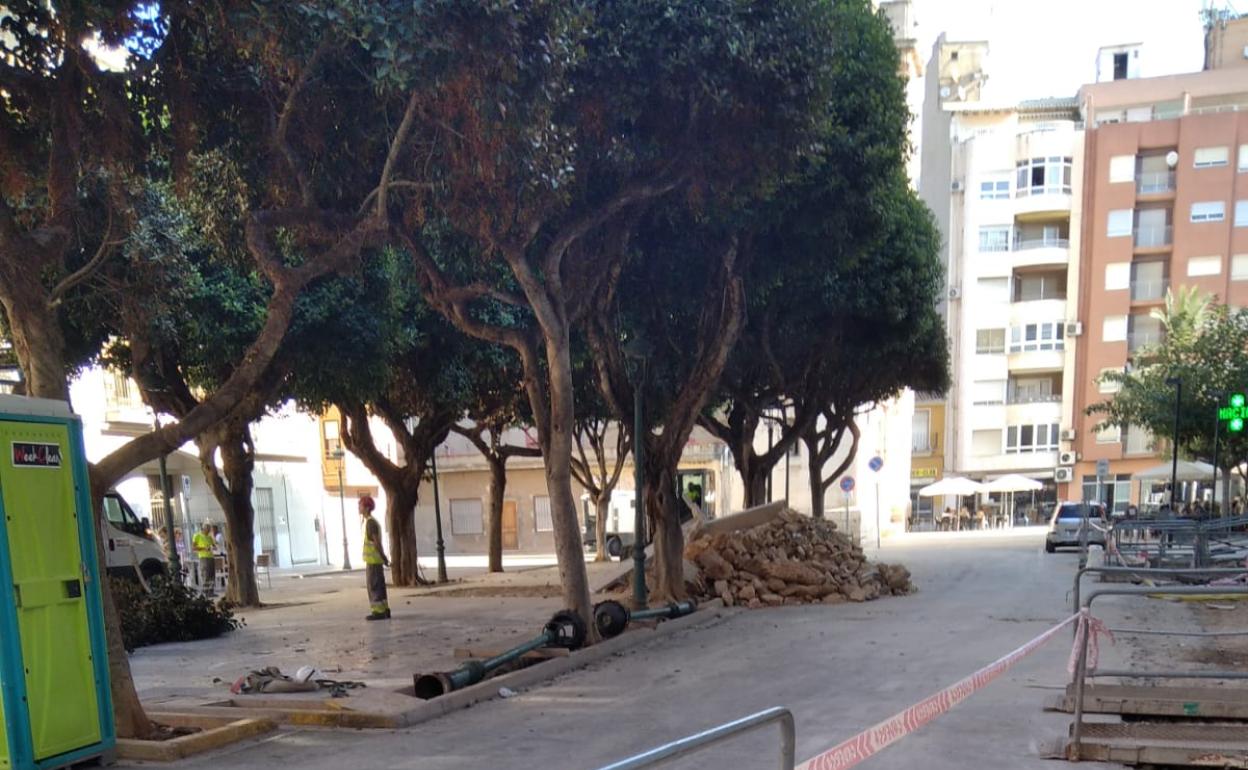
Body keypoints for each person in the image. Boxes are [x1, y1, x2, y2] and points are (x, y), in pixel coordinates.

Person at [359, 495, 390, 620]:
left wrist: (384, 557)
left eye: (360, 505)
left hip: (373, 562)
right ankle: (384, 609)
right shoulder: (372, 521)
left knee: (374, 586)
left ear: (366, 508)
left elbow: (376, 542)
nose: (359, 507)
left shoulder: (370, 523)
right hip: (376, 561)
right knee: (380, 586)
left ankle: (378, 612)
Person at [192, 522, 216, 596]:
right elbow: (194, 548)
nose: (208, 531)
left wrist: (214, 547)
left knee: (212, 575)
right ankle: (206, 592)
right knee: (206, 575)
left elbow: (214, 545)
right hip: (203, 557)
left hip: (211, 557)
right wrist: (204, 548)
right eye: (207, 529)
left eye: (209, 529)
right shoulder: (197, 536)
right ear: (203, 528)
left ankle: (211, 592)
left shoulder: (209, 537)